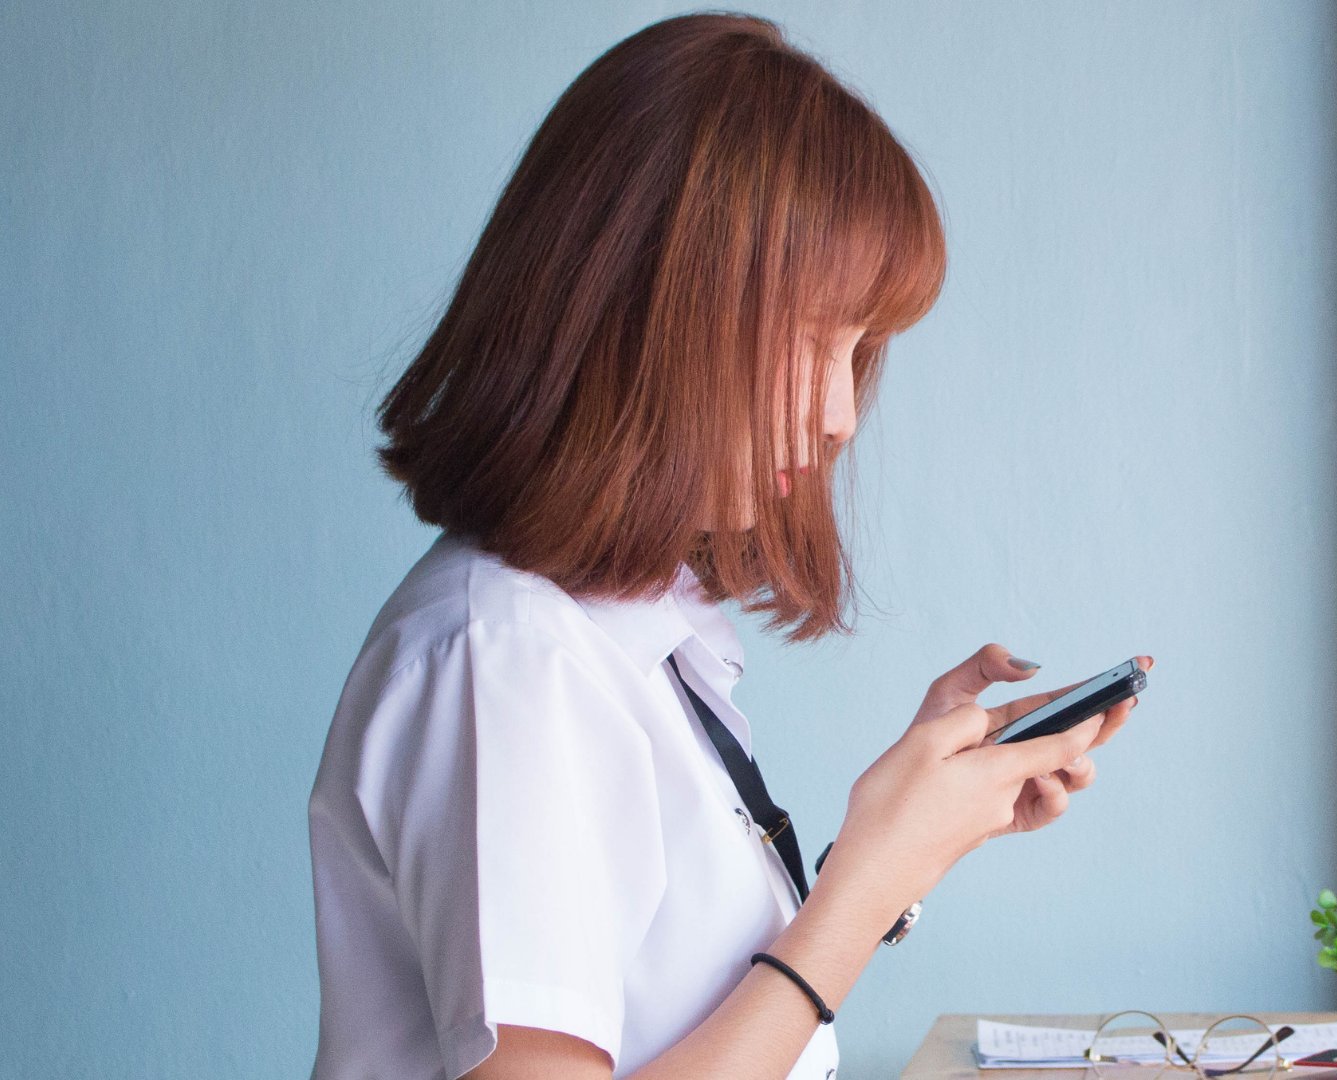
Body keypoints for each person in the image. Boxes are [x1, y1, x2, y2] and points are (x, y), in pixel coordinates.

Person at [304, 12, 1150, 1080]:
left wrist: (896, 852)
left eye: (862, 353)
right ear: (642, 305)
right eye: (811, 341)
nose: (843, 414)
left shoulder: (618, 636)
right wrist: (862, 887)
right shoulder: (508, 660)